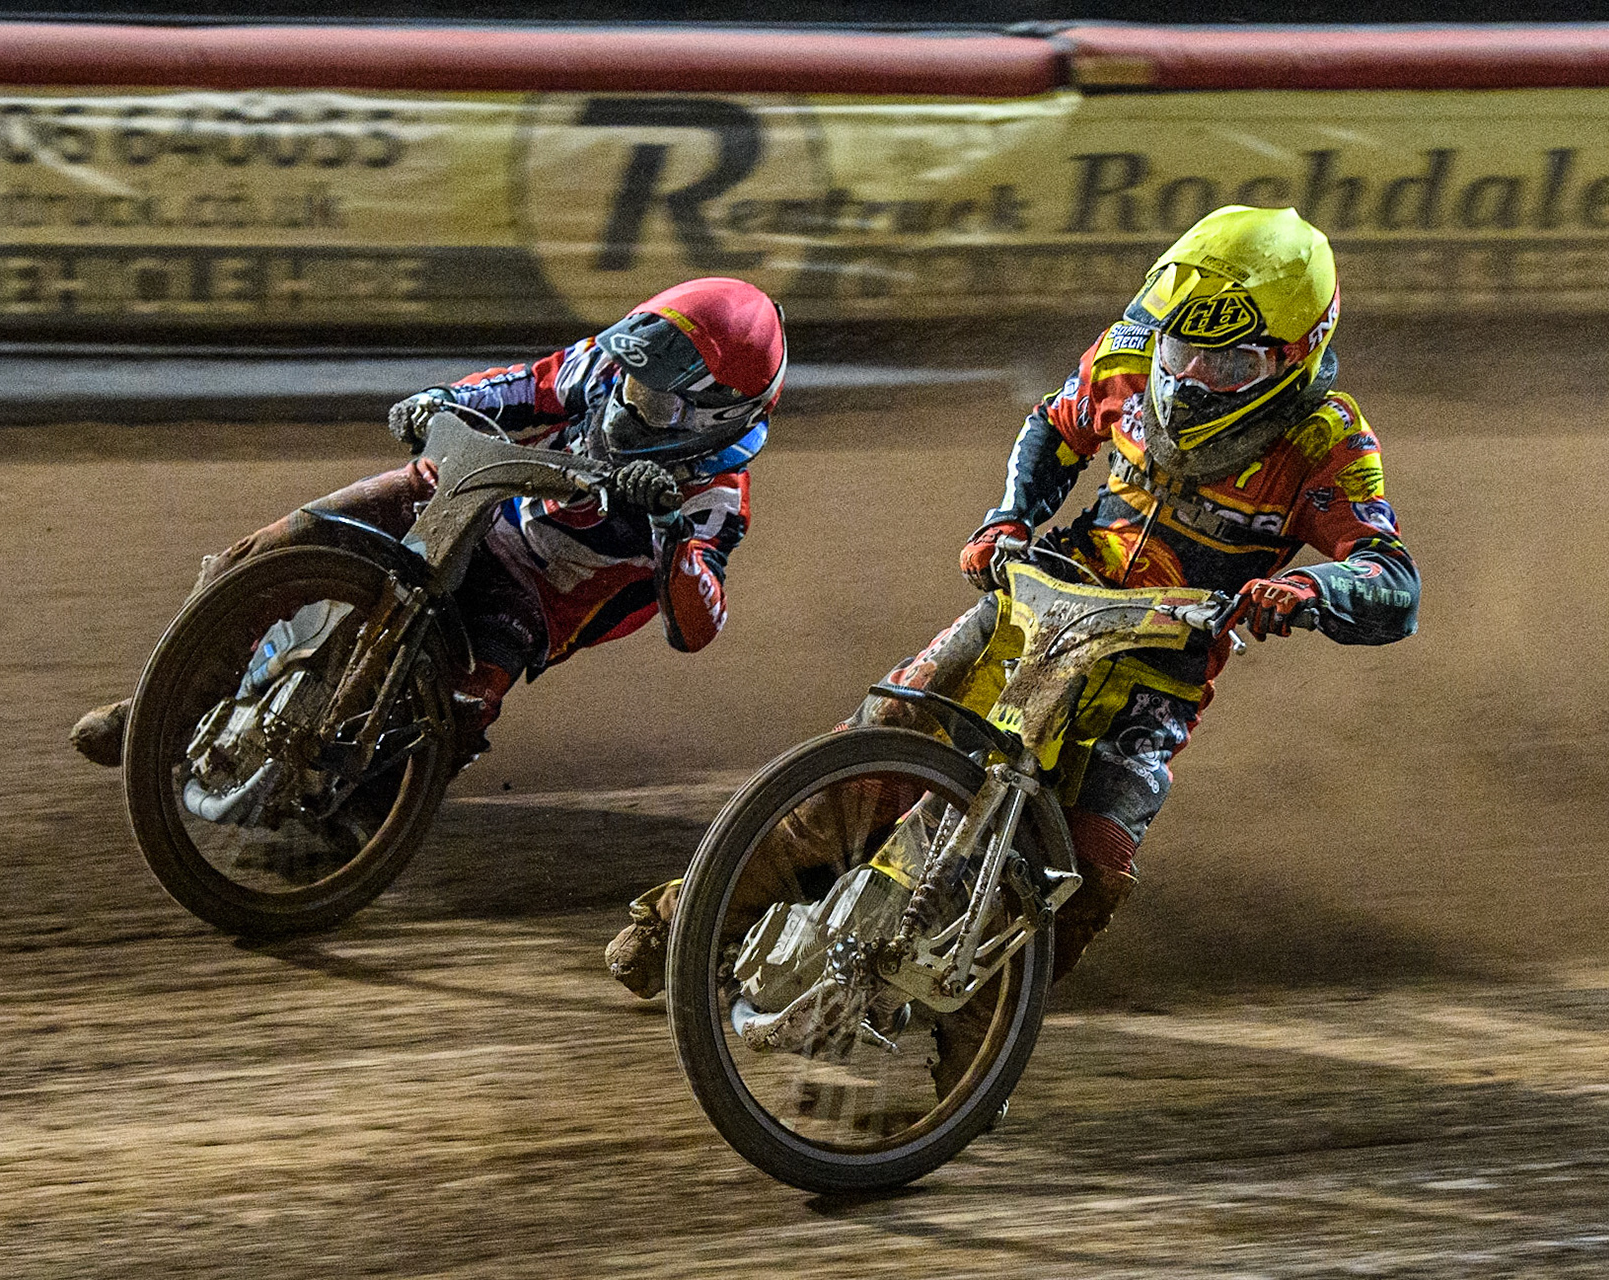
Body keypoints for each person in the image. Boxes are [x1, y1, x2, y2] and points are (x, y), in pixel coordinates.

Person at [605, 207, 1419, 1037]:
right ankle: (683, 921)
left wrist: (1312, 591)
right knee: (884, 732)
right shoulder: (1130, 355)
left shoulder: (1328, 440)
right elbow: (1053, 429)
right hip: (1043, 595)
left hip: (1160, 665)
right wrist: (1007, 519)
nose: (1194, 376)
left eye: (1229, 360)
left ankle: (970, 1063)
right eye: (1184, 349)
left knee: (1094, 862)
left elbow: (1391, 576)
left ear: (1295, 353)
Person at [70, 276, 786, 767]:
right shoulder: (606, 365)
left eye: (659, 399)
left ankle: (372, 820)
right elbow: (522, 385)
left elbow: (700, 625)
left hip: (535, 594)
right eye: (636, 377)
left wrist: (667, 524)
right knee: (274, 548)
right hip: (463, 493)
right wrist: (438, 399)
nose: (633, 400)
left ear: (714, 415)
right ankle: (164, 707)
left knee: (465, 703)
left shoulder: (717, 497)